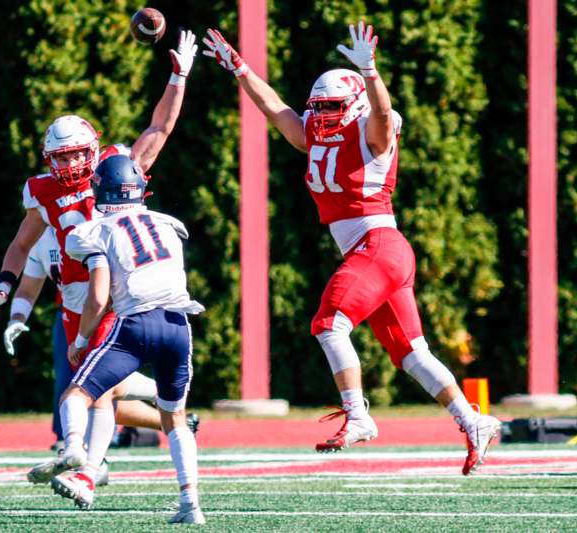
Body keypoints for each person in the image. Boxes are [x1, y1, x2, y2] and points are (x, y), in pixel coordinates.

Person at [202, 22, 500, 475]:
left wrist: (371, 72)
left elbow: (382, 114)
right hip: (377, 251)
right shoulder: (319, 134)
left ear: (355, 104)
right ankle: (472, 420)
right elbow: (276, 108)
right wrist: (240, 68)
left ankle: (359, 415)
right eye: (318, 107)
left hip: (377, 245)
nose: (321, 116)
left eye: (332, 107)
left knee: (328, 324)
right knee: (413, 354)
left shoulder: (371, 131)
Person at [0, 29, 198, 480]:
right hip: (73, 300)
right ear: (47, 159)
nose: (68, 167)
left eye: (76, 156)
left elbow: (158, 129)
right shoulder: (41, 192)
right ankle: (104, 450)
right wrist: (4, 286)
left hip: (115, 294)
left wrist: (178, 77)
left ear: (95, 151)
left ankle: (86, 464)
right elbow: (22, 244)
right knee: (97, 388)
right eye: (58, 159)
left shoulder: (115, 171)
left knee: (90, 389)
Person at [52, 154, 205, 524]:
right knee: (175, 420)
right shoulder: (168, 224)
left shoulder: (93, 231)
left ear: (99, 189)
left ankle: (74, 450)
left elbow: (99, 295)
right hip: (178, 325)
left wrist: (80, 339)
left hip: (134, 325)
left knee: (76, 395)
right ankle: (191, 505)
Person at [2, 227, 164, 450]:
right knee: (81, 386)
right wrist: (16, 318)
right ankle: (77, 442)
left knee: (94, 385)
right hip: (70, 316)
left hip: (110, 312)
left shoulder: (91, 227)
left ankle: (90, 456)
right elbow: (27, 289)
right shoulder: (42, 238)